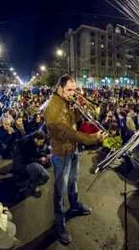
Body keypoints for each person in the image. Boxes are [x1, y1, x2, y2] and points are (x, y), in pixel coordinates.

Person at [44, 75, 105, 245]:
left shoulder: (65, 102)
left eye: (74, 89)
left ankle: (75, 203)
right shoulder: (53, 108)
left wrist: (80, 109)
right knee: (60, 189)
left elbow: (73, 121)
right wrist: (92, 138)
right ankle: (59, 222)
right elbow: (68, 132)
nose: (73, 93)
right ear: (60, 88)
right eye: (70, 90)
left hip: (72, 150)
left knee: (73, 180)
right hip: (61, 153)